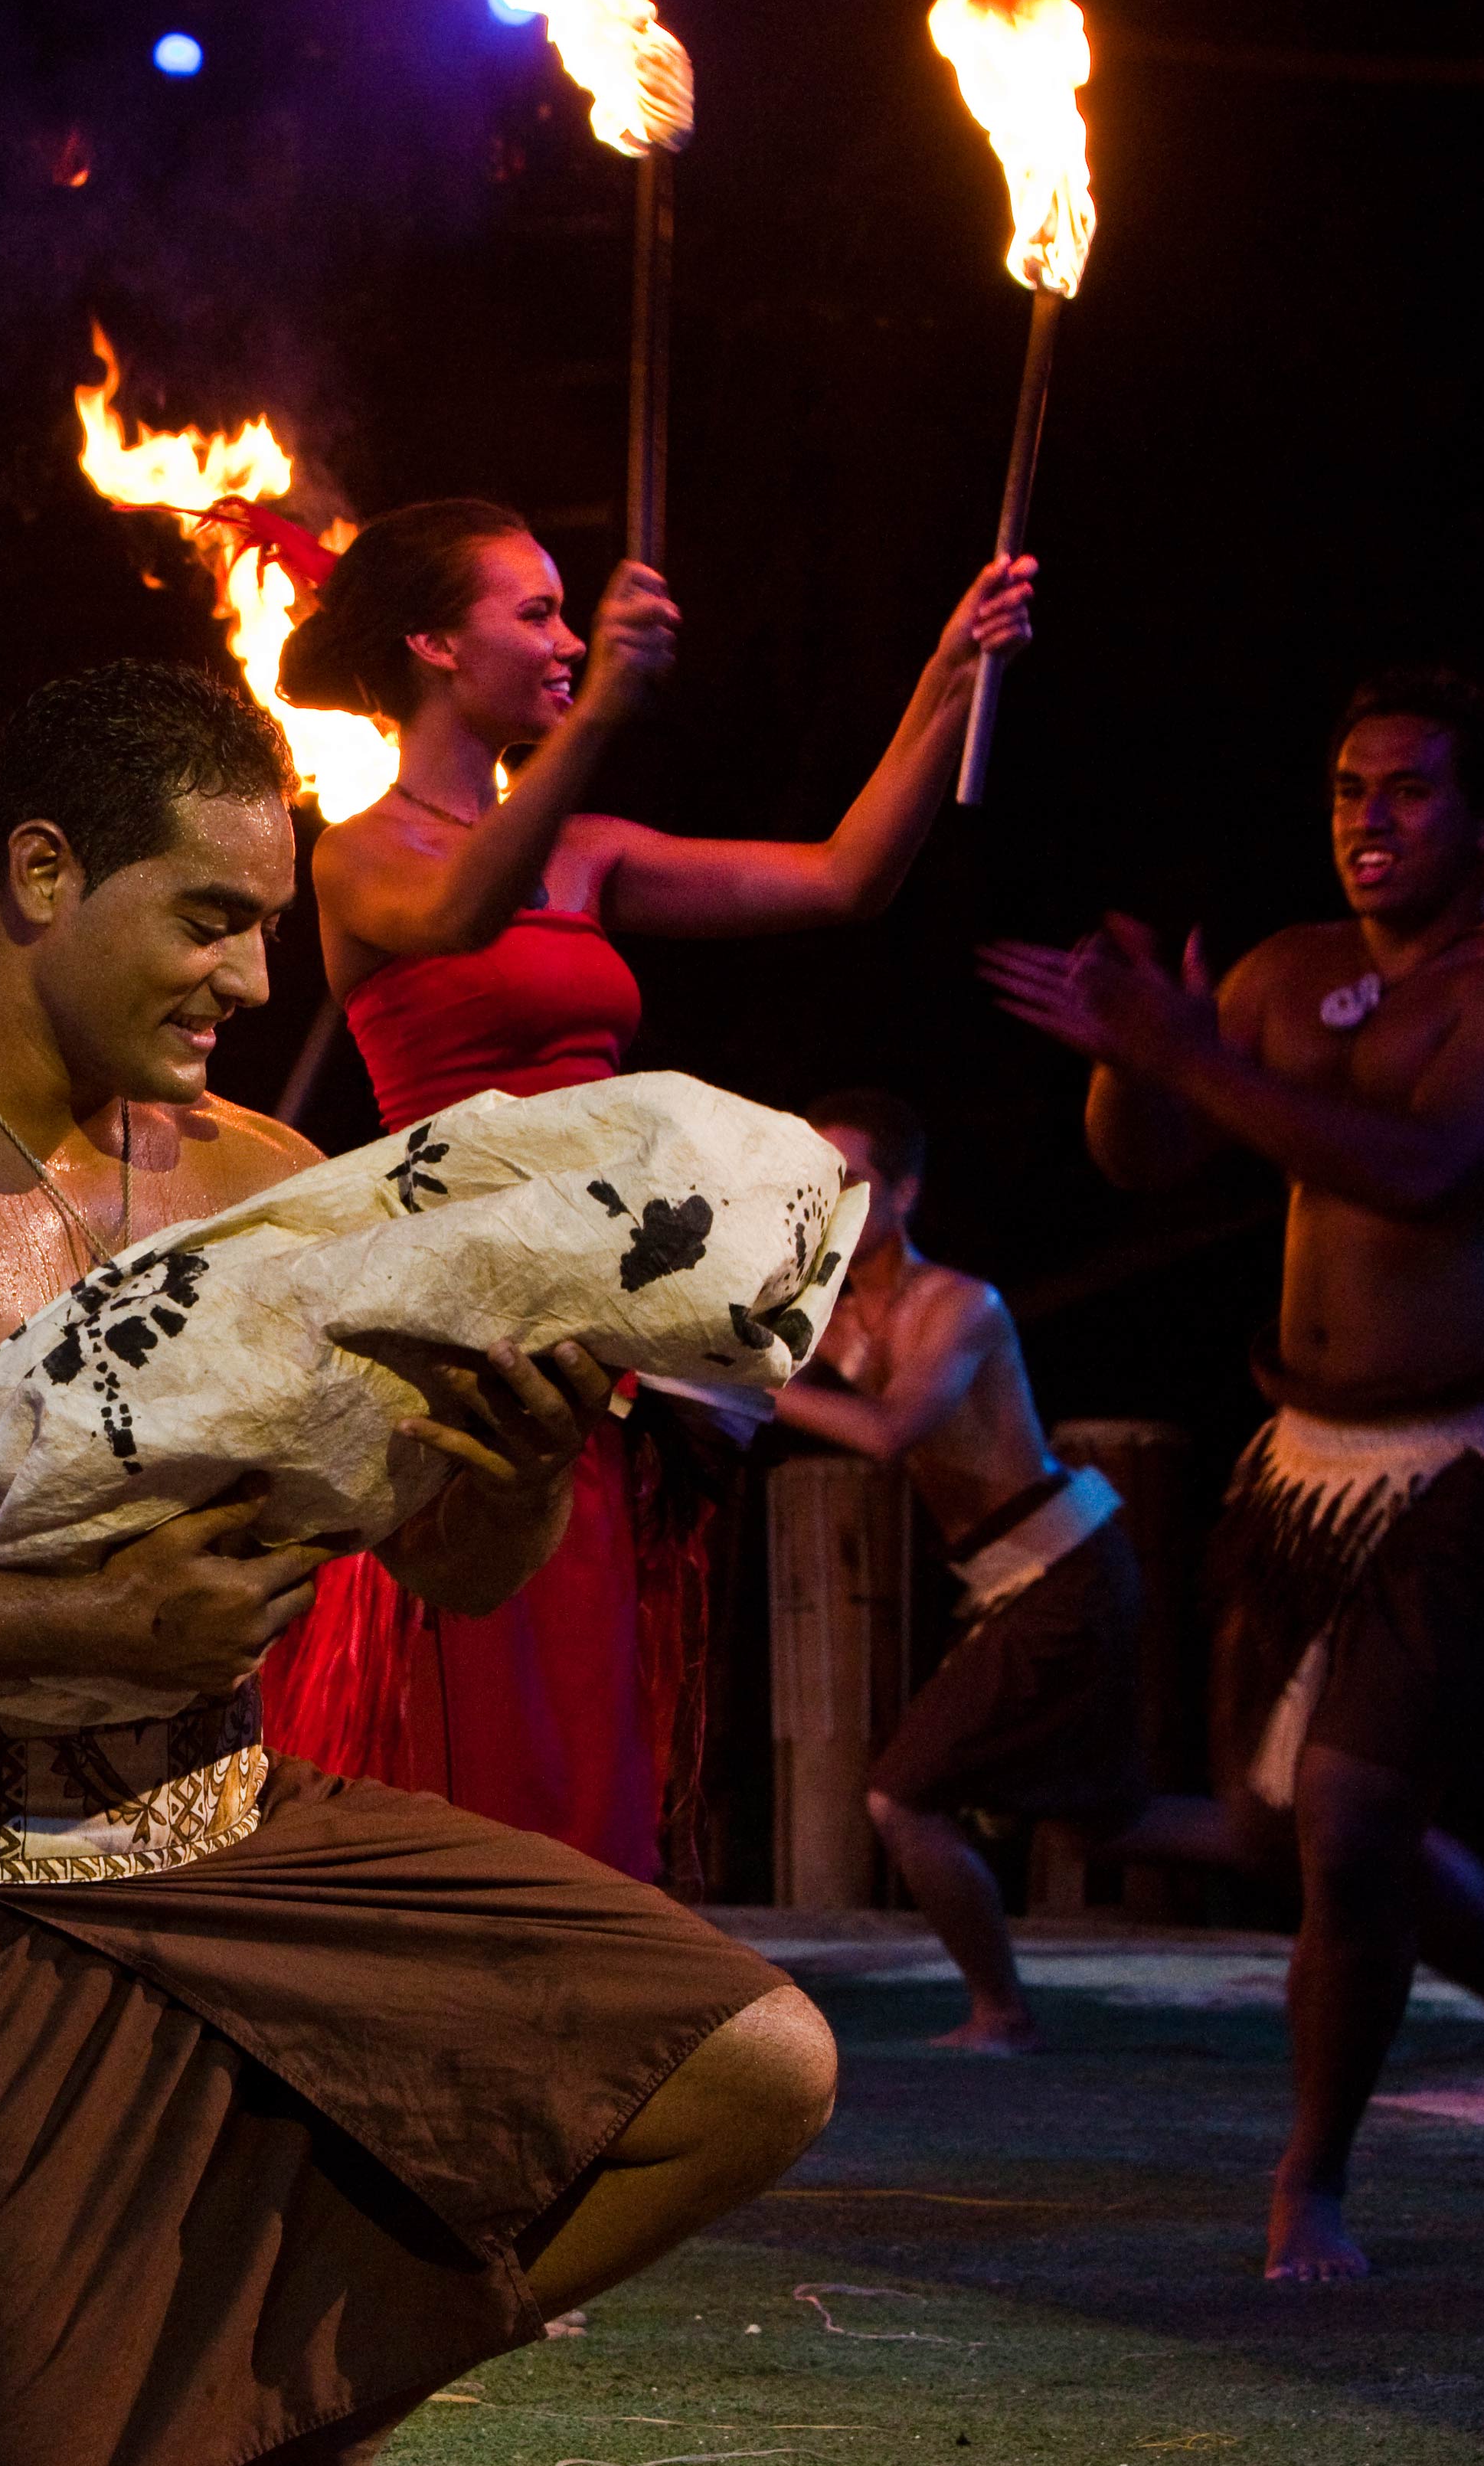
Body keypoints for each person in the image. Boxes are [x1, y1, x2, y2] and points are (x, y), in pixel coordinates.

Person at [0, 658, 835, 2466]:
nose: (257, 977)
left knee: (748, 2067)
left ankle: (272, 2450)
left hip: (233, 1834)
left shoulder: (268, 1182)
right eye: (208, 915)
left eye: (267, 920)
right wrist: (86, 1612)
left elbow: (457, 1575)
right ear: (37, 873)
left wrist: (513, 1473)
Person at [979, 669, 1484, 2281]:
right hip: (1305, 1464)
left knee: (1354, 1817)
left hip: (1478, 1464)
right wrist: (1131, 1059)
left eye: (1409, 790)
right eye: (1350, 788)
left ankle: (1315, 2189)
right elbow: (1150, 1158)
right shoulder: (1291, 974)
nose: (1367, 818)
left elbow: (1412, 1170)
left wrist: (1183, 1050)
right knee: (1291, 1824)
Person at [260, 502, 1033, 1883]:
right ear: (434, 643)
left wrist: (944, 676)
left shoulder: (589, 846)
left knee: (577, 1710)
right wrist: (602, 711)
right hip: (459, 1336)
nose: (567, 639)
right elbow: (462, 920)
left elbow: (848, 878)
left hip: (589, 1325)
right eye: (536, 613)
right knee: (477, 1702)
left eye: (572, 615)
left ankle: (570, 1992)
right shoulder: (360, 852)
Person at [766, 1087, 1199, 2052]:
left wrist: (749, 1376)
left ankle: (1002, 2014)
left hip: (1065, 1571)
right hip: (1024, 1580)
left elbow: (887, 1433)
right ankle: (1350, 1853)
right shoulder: (827, 1316)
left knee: (902, 1794)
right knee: (1109, 1823)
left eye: (853, 1181)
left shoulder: (959, 1306)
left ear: (906, 1192)